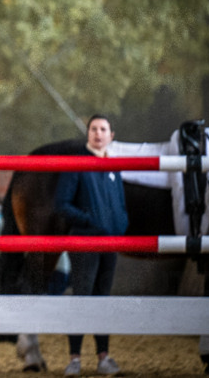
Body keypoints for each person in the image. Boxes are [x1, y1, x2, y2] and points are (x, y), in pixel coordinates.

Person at [54, 114, 129, 377]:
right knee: (82, 298)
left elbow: (119, 203)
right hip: (84, 241)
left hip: (109, 242)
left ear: (111, 135)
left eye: (103, 129)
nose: (98, 133)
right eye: (94, 129)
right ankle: (74, 359)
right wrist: (91, 220)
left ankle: (103, 358)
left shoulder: (113, 168)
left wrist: (120, 224)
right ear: (88, 134)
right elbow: (61, 204)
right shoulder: (76, 165)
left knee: (103, 299)